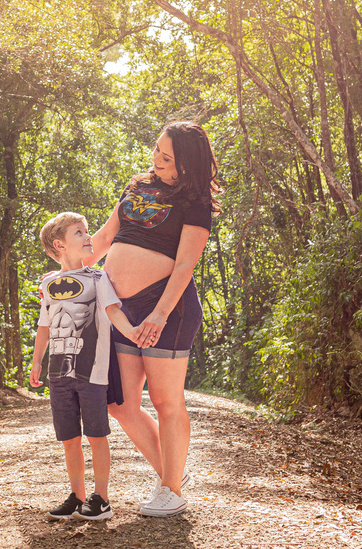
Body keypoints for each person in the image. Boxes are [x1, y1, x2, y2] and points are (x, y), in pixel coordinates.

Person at [85, 121, 221, 518]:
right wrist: (67, 273)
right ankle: (171, 475)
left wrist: (159, 314)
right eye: (157, 150)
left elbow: (184, 265)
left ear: (187, 164)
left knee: (165, 401)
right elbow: (103, 239)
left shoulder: (195, 202)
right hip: (122, 309)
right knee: (122, 403)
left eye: (167, 157)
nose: (157, 159)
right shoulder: (137, 186)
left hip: (167, 309)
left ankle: (171, 489)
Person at [28, 212, 139, 521]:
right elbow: (44, 326)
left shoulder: (98, 278)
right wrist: (37, 361)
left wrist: (134, 332)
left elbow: (113, 312)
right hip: (58, 374)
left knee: (96, 435)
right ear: (59, 244)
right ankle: (77, 497)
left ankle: (101, 499)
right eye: (79, 232)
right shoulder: (49, 283)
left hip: (93, 372)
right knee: (69, 439)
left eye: (87, 231)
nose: (89, 236)